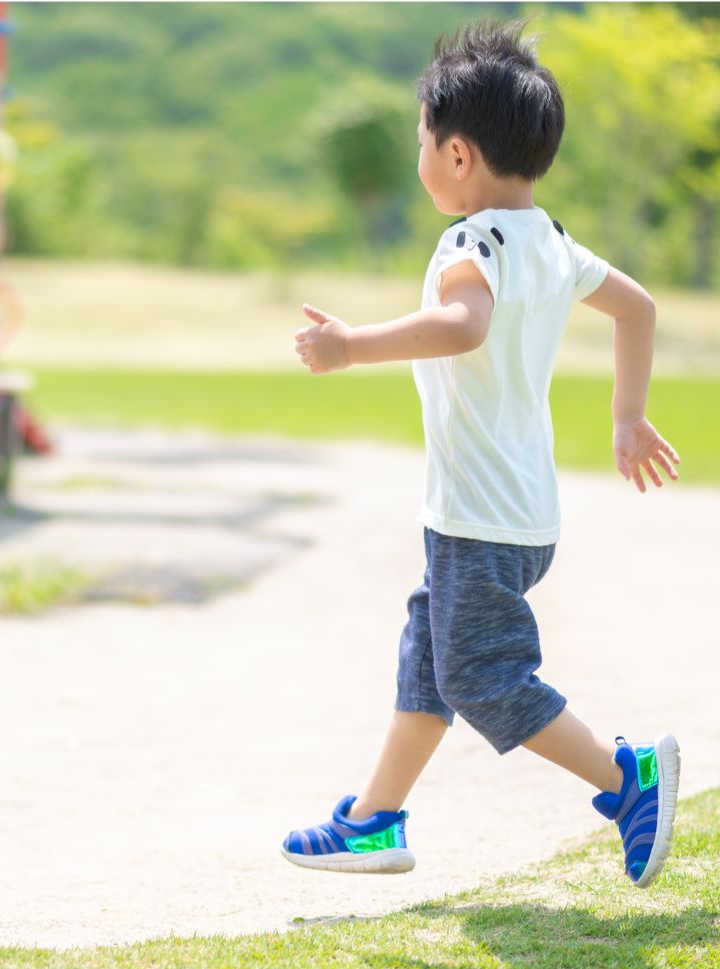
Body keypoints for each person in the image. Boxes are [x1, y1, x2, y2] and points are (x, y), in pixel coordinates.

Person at [285, 21, 683, 887]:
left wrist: (351, 347)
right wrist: (628, 415)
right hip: (517, 515)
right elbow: (639, 308)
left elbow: (463, 328)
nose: (419, 157)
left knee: (480, 676)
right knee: (431, 664)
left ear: (458, 154)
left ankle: (627, 779)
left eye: (421, 142)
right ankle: (372, 819)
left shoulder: (474, 244)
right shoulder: (553, 242)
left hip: (480, 521)